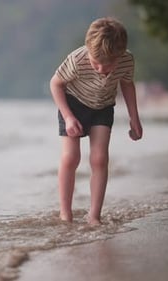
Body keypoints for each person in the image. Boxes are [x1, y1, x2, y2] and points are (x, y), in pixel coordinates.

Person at [49, 17, 143, 225]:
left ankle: (94, 215)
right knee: (71, 157)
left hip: (103, 107)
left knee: (100, 159)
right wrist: (68, 116)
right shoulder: (77, 59)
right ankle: (65, 213)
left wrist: (134, 118)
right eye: (95, 63)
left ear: (120, 55)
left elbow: (127, 85)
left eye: (108, 65)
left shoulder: (126, 60)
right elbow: (55, 84)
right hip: (72, 105)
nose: (101, 69)